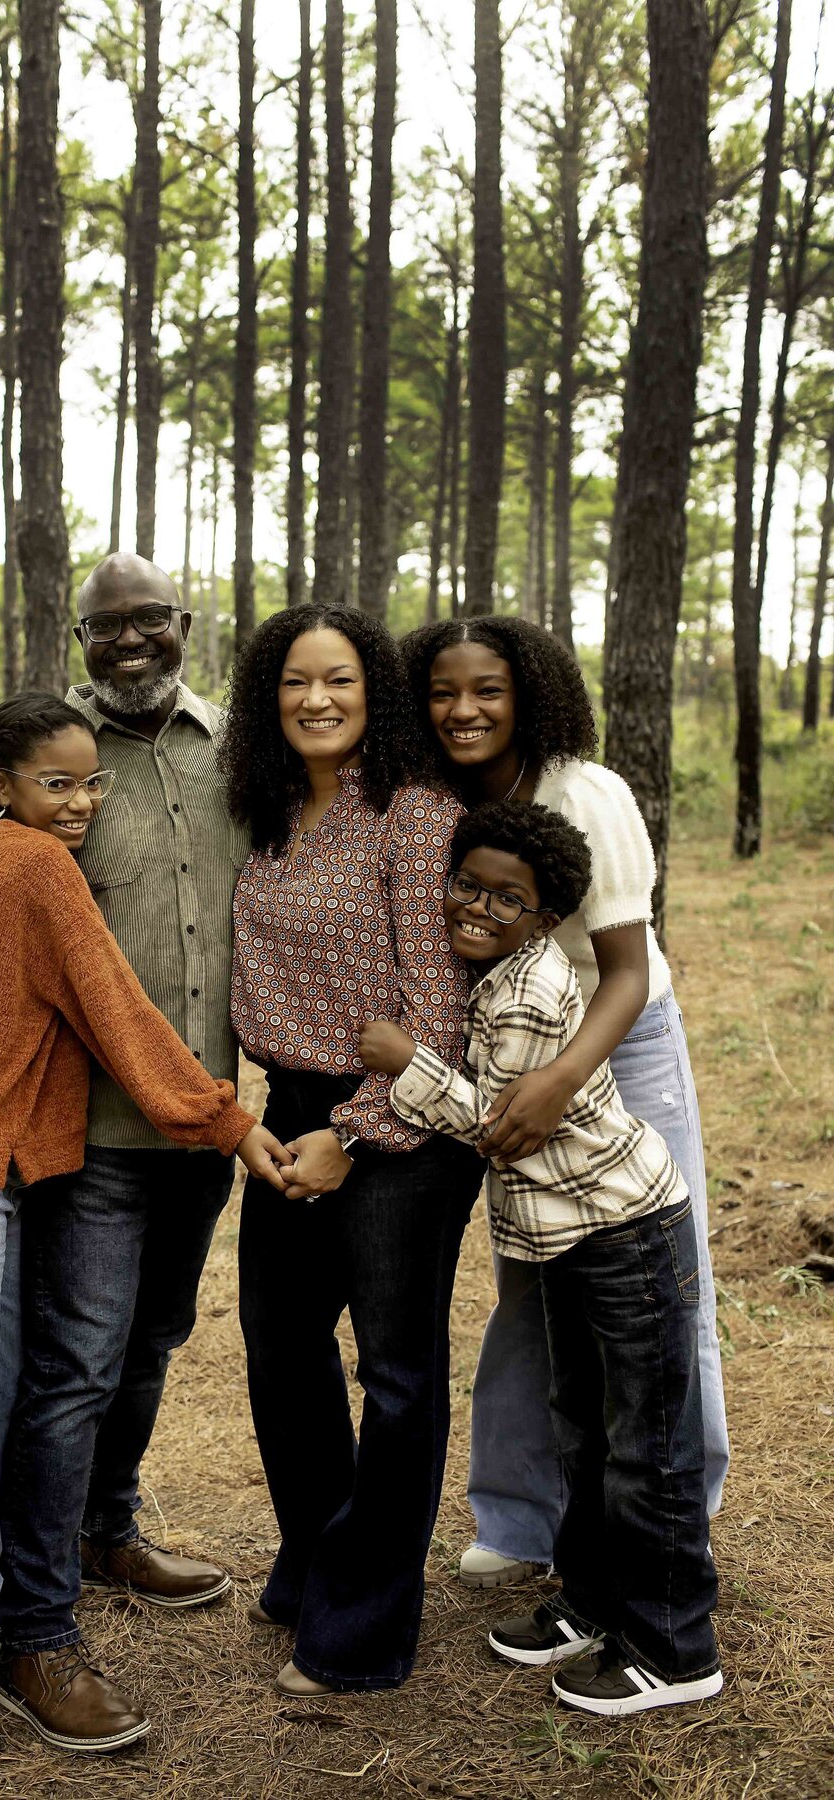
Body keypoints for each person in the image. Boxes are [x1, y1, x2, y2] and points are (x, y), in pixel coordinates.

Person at [0, 691, 286, 1793]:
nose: (85, 802)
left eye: (94, 781)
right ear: (3, 784)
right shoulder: (31, 863)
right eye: (60, 783)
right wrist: (232, 1124)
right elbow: (118, 1012)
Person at [360, 800, 722, 1716]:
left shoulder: (525, 990)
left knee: (647, 1441)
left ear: (546, 915)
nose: (477, 907)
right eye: (467, 885)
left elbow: (500, 1125)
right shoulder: (498, 972)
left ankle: (676, 1647)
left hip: (623, 1227)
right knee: (586, 1427)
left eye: (506, 899)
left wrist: (406, 1061)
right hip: (571, 1238)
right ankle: (597, 1600)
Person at [401, 616, 728, 1590]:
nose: (465, 710)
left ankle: (675, 1514)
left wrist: (559, 1082)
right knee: (535, 1292)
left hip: (618, 1044)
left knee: (665, 1287)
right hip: (509, 1050)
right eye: (445, 692)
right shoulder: (433, 802)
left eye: (488, 689)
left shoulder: (587, 792)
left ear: (529, 693)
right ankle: (521, 1521)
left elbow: (625, 971)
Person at [223, 604, 484, 1697]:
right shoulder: (268, 813)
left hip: (401, 1126)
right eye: (293, 680)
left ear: (373, 693)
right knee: (282, 1356)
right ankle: (319, 1556)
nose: (314, 700)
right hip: (286, 1110)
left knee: (398, 1374)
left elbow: (442, 1013)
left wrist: (350, 1130)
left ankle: (365, 1626)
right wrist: (265, 1124)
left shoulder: (417, 818)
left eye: (338, 679)